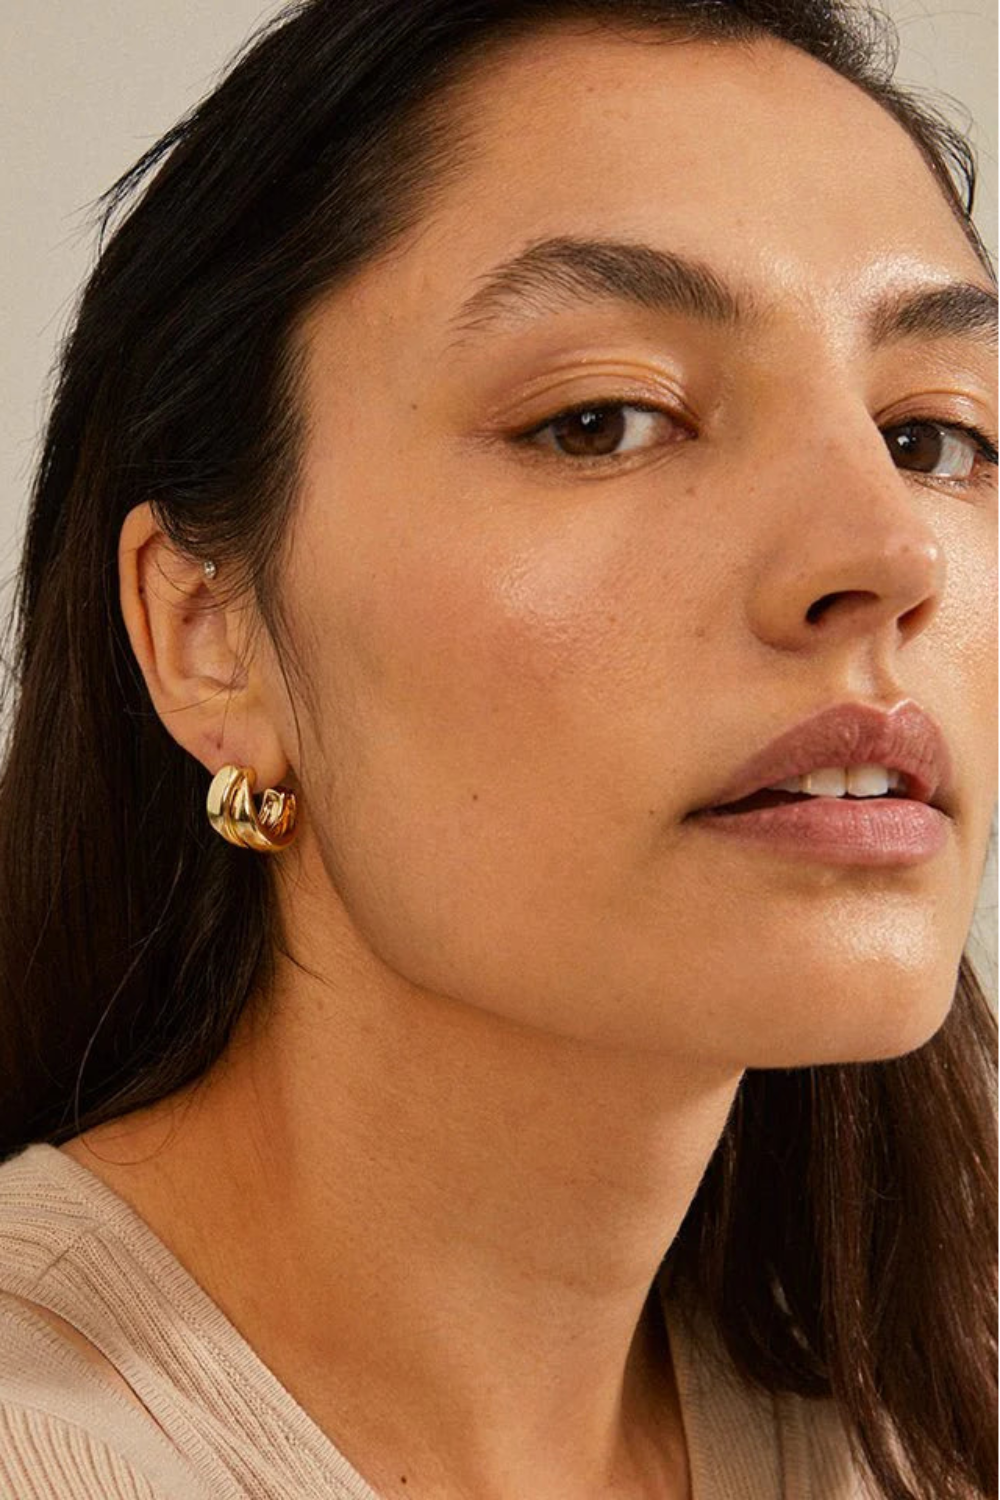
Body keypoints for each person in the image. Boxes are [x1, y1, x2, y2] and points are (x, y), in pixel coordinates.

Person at [0, 1, 997, 1497]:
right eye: (603, 421)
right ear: (210, 631)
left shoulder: (916, 1428)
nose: (888, 552)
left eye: (934, 438)